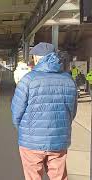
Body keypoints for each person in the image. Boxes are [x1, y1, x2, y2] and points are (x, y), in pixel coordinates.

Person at [11, 42, 77, 180]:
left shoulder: (27, 80)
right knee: (58, 177)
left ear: (36, 58)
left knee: (33, 177)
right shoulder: (69, 80)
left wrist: (25, 130)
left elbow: (16, 112)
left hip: (31, 141)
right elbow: (72, 112)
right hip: (59, 140)